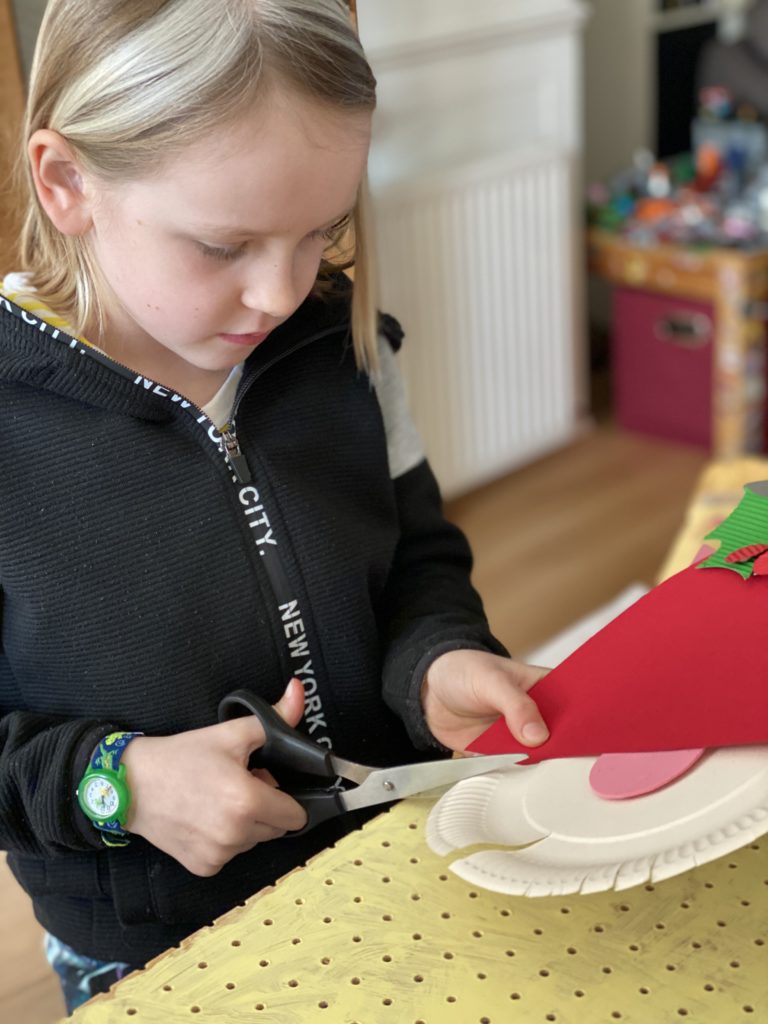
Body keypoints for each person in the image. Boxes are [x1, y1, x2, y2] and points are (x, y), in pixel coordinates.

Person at [0, 0, 550, 1013]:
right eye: (222, 246)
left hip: (396, 858)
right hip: (153, 952)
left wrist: (437, 660)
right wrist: (116, 782)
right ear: (68, 180)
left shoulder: (346, 350)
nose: (280, 293)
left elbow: (420, 558)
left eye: (321, 233)